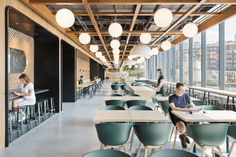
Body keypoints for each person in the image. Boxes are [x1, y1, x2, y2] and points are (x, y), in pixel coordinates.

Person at [168, 82, 198, 148]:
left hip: (187, 116)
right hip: (176, 117)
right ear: (176, 89)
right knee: (182, 128)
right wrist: (186, 110)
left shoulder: (186, 95)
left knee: (193, 127)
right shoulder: (172, 97)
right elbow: (173, 108)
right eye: (181, 89)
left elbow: (193, 105)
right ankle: (183, 135)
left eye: (184, 89)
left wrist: (196, 109)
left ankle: (182, 136)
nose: (183, 91)